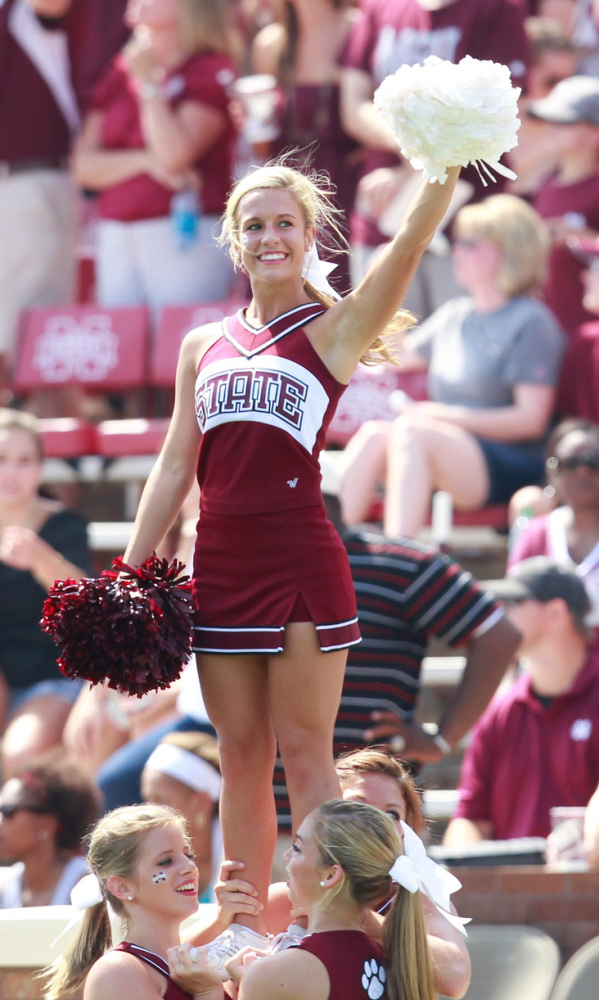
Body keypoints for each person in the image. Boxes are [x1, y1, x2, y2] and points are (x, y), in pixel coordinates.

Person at [120, 153, 464, 968]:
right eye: (255, 225)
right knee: (240, 755)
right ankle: (241, 921)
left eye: (285, 223)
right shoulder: (202, 342)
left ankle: (324, 919)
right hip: (222, 563)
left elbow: (407, 251)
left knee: (306, 751)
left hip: (301, 558)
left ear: (309, 237)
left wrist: (442, 173)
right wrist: (129, 576)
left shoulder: (332, 328)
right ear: (234, 243)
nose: (270, 237)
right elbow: (175, 463)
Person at [272, 479, 520, 831]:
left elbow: (499, 634)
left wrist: (441, 740)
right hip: (272, 822)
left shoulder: (401, 564)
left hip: (373, 826)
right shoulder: (257, 567)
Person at [339, 193, 566, 537]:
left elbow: (531, 421)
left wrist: (438, 416)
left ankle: (400, 565)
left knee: (413, 431)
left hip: (511, 464)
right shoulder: (456, 315)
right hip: (440, 444)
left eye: (471, 244)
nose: (456, 252)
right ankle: (326, 554)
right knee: (374, 435)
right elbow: (388, 352)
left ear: (510, 251)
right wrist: (384, 269)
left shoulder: (531, 321)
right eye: (457, 243)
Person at [186, 751, 471, 999]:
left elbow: (455, 978)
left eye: (392, 814)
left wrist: (349, 913)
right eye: (358, 805)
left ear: (406, 830)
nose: (372, 821)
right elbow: (174, 960)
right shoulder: (288, 897)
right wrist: (221, 920)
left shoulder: (412, 895)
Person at [338, 0, 530, 316]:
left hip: (464, 227)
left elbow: (499, 114)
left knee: (455, 354)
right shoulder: (379, 6)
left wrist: (417, 165)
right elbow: (353, 106)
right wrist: (410, 150)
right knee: (383, 349)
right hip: (383, 213)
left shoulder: (498, 8)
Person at [71, 0, 239, 320]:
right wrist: (145, 162)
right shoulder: (120, 71)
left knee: (177, 354)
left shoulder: (210, 69)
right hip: (116, 232)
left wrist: (149, 83)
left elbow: (173, 156)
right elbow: (83, 166)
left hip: (184, 234)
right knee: (121, 357)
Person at [443, 557, 599, 862]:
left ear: (556, 612)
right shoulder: (500, 710)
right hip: (511, 903)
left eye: (513, 601)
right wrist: (468, 869)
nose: (498, 614)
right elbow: (469, 818)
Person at [0, 408, 92, 776]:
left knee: (18, 759)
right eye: (2, 459)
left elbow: (84, 604)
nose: (11, 472)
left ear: (40, 468)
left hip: (51, 678)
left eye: (24, 461)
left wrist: (41, 559)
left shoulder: (64, 526)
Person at [251, 0, 363, 292]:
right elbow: (265, 146)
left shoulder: (360, 29)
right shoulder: (271, 45)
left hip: (346, 195)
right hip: (285, 198)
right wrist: (251, 119)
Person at [43, 802, 202, 1000]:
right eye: (166, 861)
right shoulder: (117, 972)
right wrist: (209, 993)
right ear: (122, 887)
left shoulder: (186, 959)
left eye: (188, 855)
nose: (189, 866)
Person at [509, 419, 599, 629]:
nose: (582, 471)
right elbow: (515, 607)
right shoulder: (535, 534)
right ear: (552, 473)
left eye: (593, 461)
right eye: (570, 463)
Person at [528, 74, 599, 335]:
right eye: (550, 121)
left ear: (594, 133)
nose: (551, 128)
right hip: (549, 328)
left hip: (589, 333)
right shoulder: (546, 186)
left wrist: (580, 237)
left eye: (564, 121)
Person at [0, 750, 101, 907]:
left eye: (8, 810)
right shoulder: (4, 886)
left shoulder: (89, 887)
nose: (1, 821)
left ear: (48, 824)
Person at [141, 730, 223, 902]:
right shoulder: (142, 854)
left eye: (161, 800)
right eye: (147, 799)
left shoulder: (240, 855)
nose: (150, 812)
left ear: (202, 802)